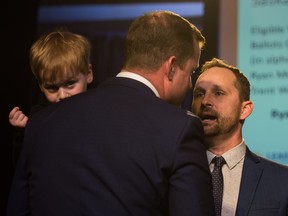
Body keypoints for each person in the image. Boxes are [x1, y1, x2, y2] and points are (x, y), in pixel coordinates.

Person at [7, 10, 215, 216]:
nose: (189, 84)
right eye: (191, 72)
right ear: (170, 67)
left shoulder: (39, 124)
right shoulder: (180, 128)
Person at [192, 57, 288, 216]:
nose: (205, 101)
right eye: (199, 94)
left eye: (218, 93)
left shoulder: (282, 181)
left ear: (245, 109)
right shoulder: (173, 173)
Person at [8, 30, 94, 168]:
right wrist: (23, 133)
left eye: (70, 83)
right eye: (52, 88)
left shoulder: (99, 107)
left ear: (88, 74)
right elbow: (23, 167)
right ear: (41, 86)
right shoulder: (39, 116)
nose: (62, 95)